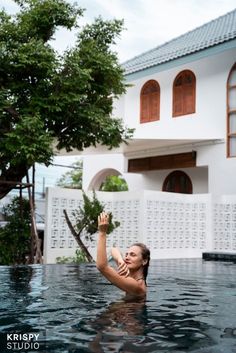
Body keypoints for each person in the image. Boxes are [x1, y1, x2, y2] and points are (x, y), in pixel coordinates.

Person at [96, 211, 150, 297]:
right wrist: (120, 260)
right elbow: (113, 249)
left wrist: (102, 233)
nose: (127, 257)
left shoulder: (137, 285)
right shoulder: (126, 270)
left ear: (144, 261)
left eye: (133, 255)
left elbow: (102, 267)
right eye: (126, 254)